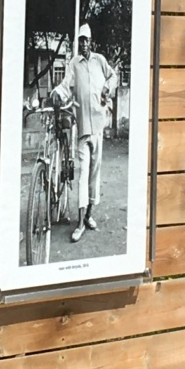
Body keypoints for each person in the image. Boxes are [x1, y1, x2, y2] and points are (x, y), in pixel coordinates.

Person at [51, 23, 120, 244]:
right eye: (80, 40)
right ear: (77, 42)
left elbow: (113, 77)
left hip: (98, 126)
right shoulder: (73, 64)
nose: (83, 43)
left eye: (86, 40)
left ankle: (89, 215)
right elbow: (65, 85)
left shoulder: (99, 61)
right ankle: (80, 223)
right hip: (82, 129)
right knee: (83, 174)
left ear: (91, 42)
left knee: (94, 174)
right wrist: (57, 93)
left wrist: (107, 89)